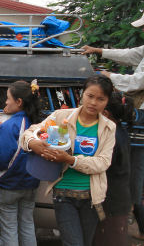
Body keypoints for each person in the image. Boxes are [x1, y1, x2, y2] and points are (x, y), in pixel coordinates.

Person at [22, 75, 116, 246]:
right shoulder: (60, 116)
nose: (94, 102)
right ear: (82, 95)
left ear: (107, 101)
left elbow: (103, 162)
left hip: (92, 198)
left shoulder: (108, 128)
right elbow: (30, 132)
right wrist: (32, 143)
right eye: (90, 96)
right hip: (63, 194)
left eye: (100, 99)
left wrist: (71, 160)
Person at [82, 13, 144, 240]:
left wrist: (111, 76)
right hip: (136, 115)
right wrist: (99, 51)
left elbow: (139, 81)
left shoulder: (115, 134)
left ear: (106, 110)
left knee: (134, 171)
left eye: (99, 99)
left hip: (141, 118)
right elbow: (130, 54)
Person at [0, 80, 41, 246]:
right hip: (30, 182)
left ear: (19, 102)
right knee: (27, 224)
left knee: (9, 229)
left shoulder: (9, 125)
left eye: (8, 98)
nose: (5, 102)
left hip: (9, 184)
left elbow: (2, 160)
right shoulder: (37, 123)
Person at [93, 92, 134, 246]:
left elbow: (100, 165)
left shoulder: (112, 136)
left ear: (105, 113)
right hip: (117, 200)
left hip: (112, 202)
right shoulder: (119, 131)